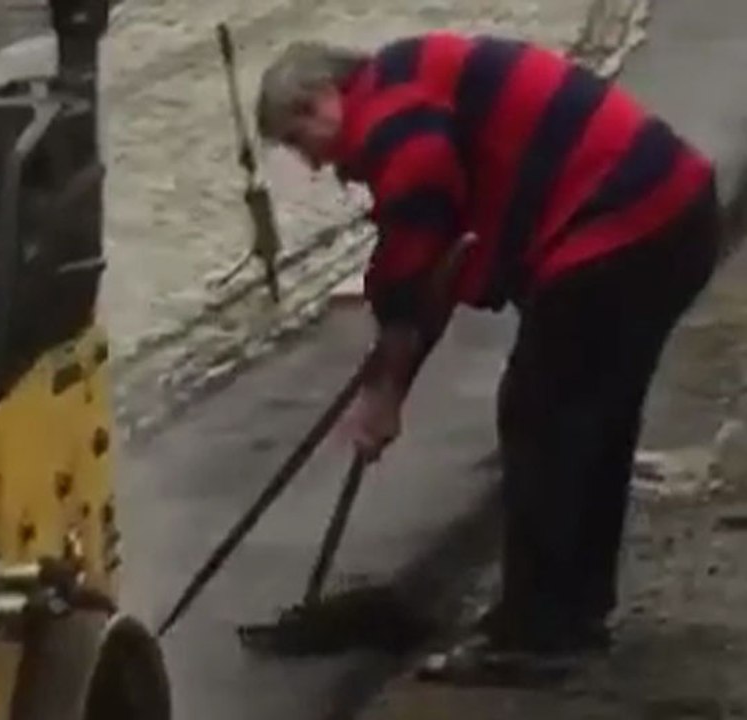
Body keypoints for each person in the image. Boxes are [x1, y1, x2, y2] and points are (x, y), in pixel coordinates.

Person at [256, 33, 720, 684]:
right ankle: (572, 615)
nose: (314, 165)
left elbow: (416, 232)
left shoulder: (385, 115)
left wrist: (387, 379)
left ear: (317, 101)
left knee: (541, 419)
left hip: (621, 224)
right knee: (592, 421)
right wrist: (391, 381)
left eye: (299, 140)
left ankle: (536, 635)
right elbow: (437, 270)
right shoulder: (409, 84)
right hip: (670, 214)